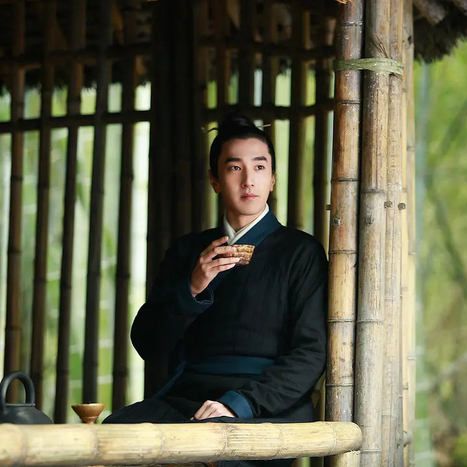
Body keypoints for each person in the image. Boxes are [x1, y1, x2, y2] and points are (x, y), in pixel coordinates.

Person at [104, 113, 328, 466]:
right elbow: (148, 342)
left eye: (259, 167)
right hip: (187, 399)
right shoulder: (187, 251)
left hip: (266, 406)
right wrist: (192, 286)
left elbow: (311, 353)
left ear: (272, 179)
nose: (248, 180)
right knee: (111, 438)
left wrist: (238, 404)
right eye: (235, 168)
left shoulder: (301, 252)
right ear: (214, 180)